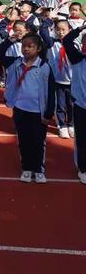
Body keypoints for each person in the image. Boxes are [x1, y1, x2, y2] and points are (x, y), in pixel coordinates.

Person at [0, 33, 55, 183]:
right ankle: (27, 168)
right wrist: (9, 41)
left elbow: (51, 91)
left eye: (30, 46)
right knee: (24, 140)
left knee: (38, 141)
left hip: (38, 111)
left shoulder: (44, 67)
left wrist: (48, 113)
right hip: (20, 109)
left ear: (38, 48)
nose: (26, 49)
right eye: (24, 46)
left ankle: (39, 169)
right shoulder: (16, 63)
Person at [39, 17, 74, 138]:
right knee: (60, 105)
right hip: (57, 80)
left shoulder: (74, 43)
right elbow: (43, 31)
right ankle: (62, 126)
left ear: (70, 30)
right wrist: (49, 19)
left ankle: (71, 124)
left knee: (72, 104)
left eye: (64, 30)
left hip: (72, 81)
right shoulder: (51, 43)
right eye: (58, 30)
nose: (61, 32)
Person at [63, 25, 86, 184]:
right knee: (82, 140)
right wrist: (81, 27)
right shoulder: (78, 59)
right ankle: (83, 169)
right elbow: (67, 40)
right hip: (82, 107)